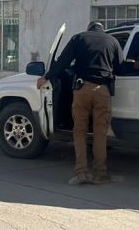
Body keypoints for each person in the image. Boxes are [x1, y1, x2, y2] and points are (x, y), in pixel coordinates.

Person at [36, 21, 123, 185]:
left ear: (89, 28)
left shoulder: (79, 38)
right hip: (103, 91)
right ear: (102, 29)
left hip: (81, 90)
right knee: (100, 133)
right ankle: (100, 174)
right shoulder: (112, 41)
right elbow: (120, 69)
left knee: (80, 132)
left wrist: (46, 76)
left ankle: (81, 173)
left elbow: (62, 62)